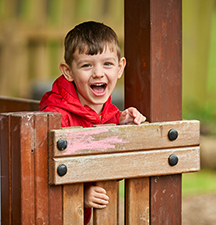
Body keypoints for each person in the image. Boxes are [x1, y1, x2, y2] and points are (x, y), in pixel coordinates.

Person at [39, 21, 146, 224]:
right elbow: (40, 174)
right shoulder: (55, 116)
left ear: (120, 67)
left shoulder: (107, 111)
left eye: (107, 64)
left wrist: (120, 121)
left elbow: (95, 126)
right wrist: (80, 193)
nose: (98, 73)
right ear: (68, 71)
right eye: (87, 65)